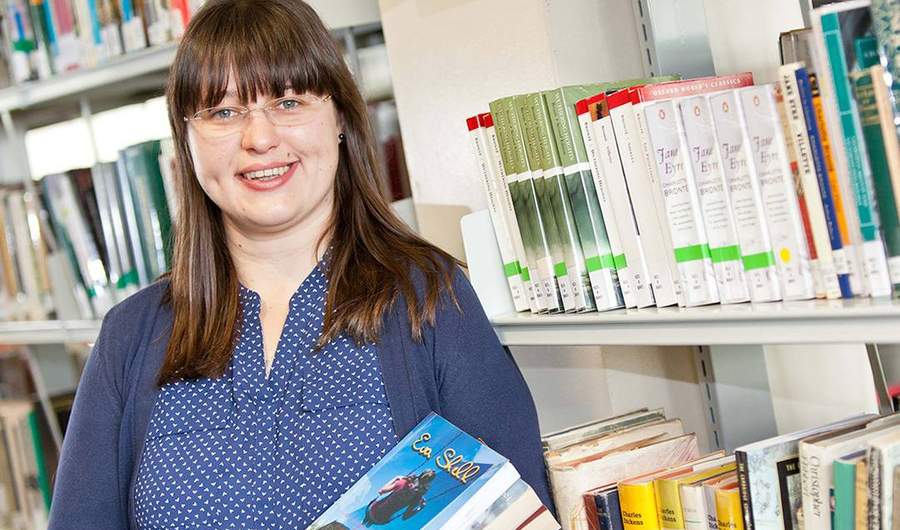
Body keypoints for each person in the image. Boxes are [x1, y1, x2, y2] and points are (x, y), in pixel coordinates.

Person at [47, 0, 551, 527]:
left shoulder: (428, 299)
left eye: (288, 102)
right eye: (222, 112)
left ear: (339, 118)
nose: (259, 138)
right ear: (187, 142)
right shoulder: (131, 336)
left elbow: (517, 514)